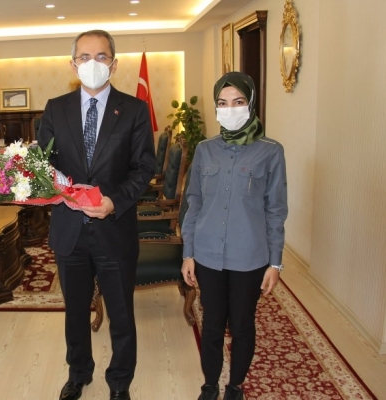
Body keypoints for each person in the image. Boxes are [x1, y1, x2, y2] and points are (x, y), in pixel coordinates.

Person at [38, 30, 156, 400]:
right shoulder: (55, 108)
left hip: (114, 228)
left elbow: (143, 168)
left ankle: (119, 381)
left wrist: (114, 202)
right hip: (69, 230)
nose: (93, 64)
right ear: (73, 65)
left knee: (121, 313)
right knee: (75, 311)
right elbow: (43, 164)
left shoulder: (134, 110)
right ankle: (78, 373)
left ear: (114, 64)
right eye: (85, 57)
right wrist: (51, 184)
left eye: (101, 57)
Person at [181, 71, 288, 400]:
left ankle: (235, 386)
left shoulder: (271, 151)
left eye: (238, 101)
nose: (230, 109)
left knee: (242, 325)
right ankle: (210, 384)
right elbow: (194, 202)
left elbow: (276, 209)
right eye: (223, 103)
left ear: (250, 104)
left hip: (249, 256)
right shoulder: (205, 150)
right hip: (208, 254)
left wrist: (275, 263)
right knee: (212, 324)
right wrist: (188, 252)